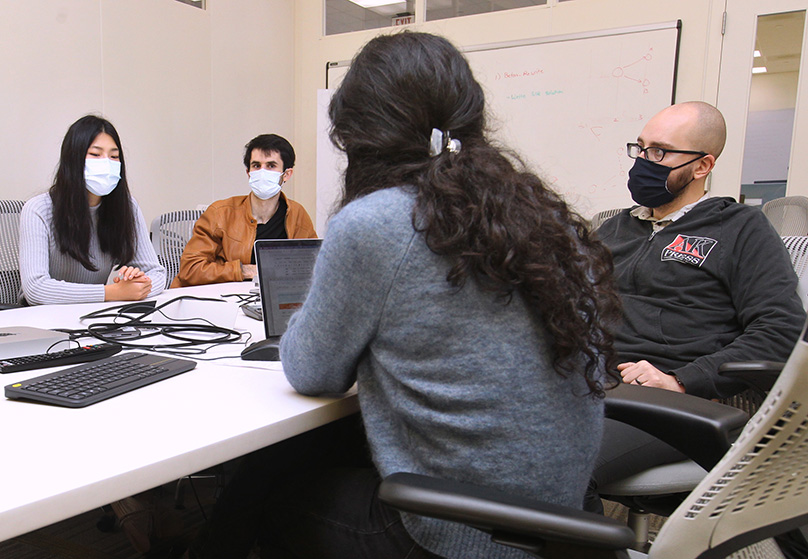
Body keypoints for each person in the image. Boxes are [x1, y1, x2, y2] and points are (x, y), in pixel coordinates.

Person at [187, 32, 622, 559]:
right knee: (309, 448)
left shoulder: (379, 222)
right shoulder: (536, 213)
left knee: (266, 487)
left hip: (459, 533)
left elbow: (311, 371)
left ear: (360, 136)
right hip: (564, 516)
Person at [587, 101, 806, 512]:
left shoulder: (740, 228)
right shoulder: (613, 228)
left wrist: (681, 380)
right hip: (587, 387)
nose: (644, 162)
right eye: (640, 148)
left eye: (660, 152)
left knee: (552, 467)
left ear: (702, 166)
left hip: (669, 403)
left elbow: (781, 332)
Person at [19, 115, 166, 304]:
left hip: (93, 316)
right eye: (95, 155)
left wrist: (140, 283)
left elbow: (157, 273)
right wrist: (112, 293)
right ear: (73, 159)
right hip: (41, 319)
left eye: (114, 156)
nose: (106, 163)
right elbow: (36, 289)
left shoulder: (126, 207)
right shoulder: (38, 210)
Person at [170, 134, 316, 287]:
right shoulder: (220, 213)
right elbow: (190, 269)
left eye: (271, 166)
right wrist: (244, 270)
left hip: (272, 299)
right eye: (256, 166)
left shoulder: (297, 215)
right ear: (248, 173)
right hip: (221, 299)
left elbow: (312, 268)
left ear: (286, 174)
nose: (262, 172)